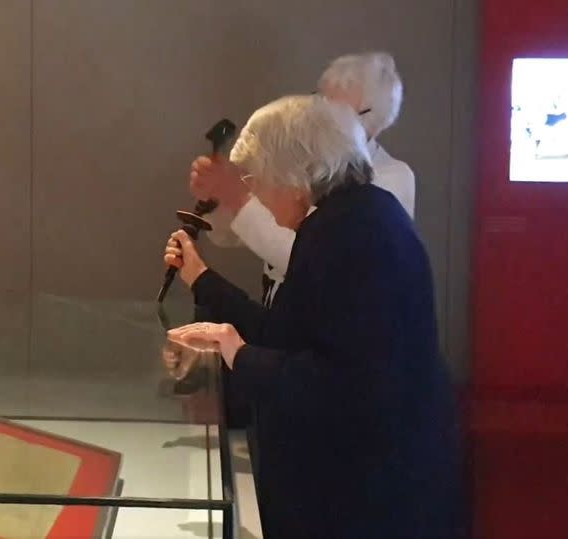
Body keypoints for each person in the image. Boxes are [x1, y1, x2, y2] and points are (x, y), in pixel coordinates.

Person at [164, 95, 464, 538]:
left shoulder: (348, 233)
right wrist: (205, 284)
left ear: (296, 176)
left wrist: (240, 355)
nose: (260, 198)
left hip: (367, 497)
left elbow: (343, 382)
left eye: (259, 180)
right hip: (382, 479)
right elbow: (290, 332)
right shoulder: (360, 217)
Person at [196, 52, 415, 308]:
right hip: (279, 308)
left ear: (374, 121)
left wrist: (236, 197)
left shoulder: (390, 179)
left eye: (336, 110)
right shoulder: (302, 159)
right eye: (319, 102)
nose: (318, 117)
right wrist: (215, 196)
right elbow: (234, 235)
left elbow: (312, 262)